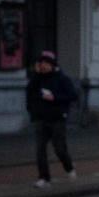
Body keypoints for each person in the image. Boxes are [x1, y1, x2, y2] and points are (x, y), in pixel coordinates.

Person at [25, 50, 79, 187]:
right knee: (40, 149)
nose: (43, 66)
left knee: (59, 148)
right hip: (41, 118)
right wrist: (36, 74)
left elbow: (73, 96)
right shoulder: (39, 78)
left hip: (57, 119)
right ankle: (44, 178)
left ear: (52, 65)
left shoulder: (63, 79)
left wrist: (55, 97)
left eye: (46, 63)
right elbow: (30, 90)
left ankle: (69, 167)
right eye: (41, 63)